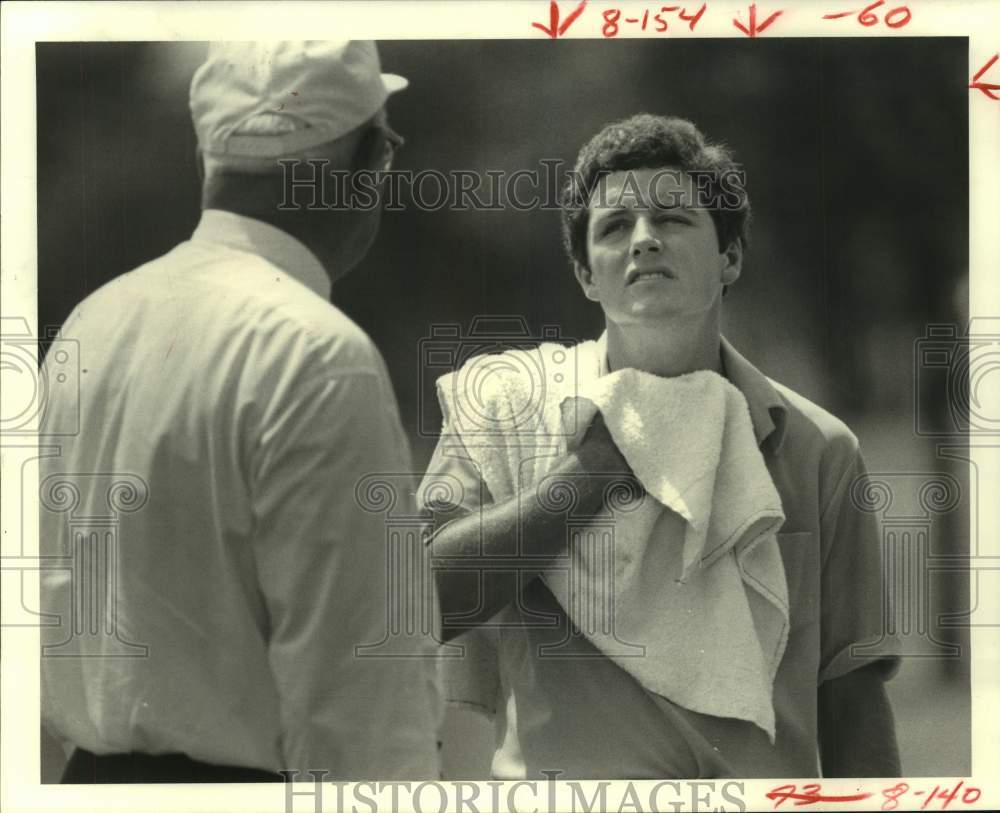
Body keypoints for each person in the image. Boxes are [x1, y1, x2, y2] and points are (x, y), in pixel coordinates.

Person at [420, 114, 901, 779]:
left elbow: (852, 696)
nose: (644, 239)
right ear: (588, 274)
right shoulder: (510, 412)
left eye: (673, 219)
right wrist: (588, 475)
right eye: (615, 227)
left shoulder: (820, 448)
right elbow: (422, 596)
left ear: (729, 257)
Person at [39, 41, 440, 783]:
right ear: (371, 163)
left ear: (207, 163)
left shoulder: (91, 323)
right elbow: (358, 698)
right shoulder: (317, 354)